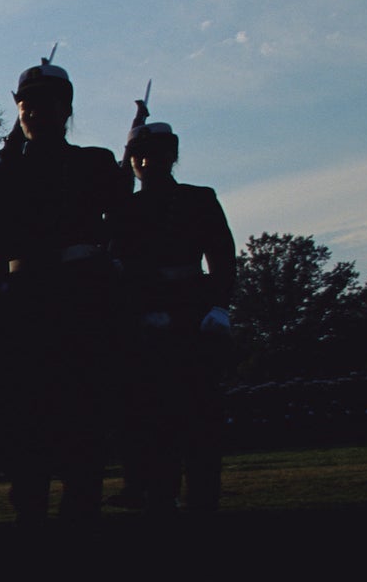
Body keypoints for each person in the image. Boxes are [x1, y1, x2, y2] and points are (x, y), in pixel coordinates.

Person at [0, 59, 123, 525]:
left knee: (82, 423)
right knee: (26, 424)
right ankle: (31, 520)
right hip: (24, 304)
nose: (32, 113)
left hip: (81, 303)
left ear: (65, 108)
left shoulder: (94, 163)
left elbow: (124, 227)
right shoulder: (3, 169)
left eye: (43, 104)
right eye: (25, 104)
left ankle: (79, 519)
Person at [109, 107, 236, 514]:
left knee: (201, 419)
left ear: (172, 157)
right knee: (151, 419)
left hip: (193, 314)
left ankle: (203, 502)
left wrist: (219, 305)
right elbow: (119, 268)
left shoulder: (198, 199)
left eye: (157, 155)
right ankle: (158, 499)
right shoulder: (124, 211)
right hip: (145, 319)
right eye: (138, 156)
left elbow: (222, 257)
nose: (146, 163)